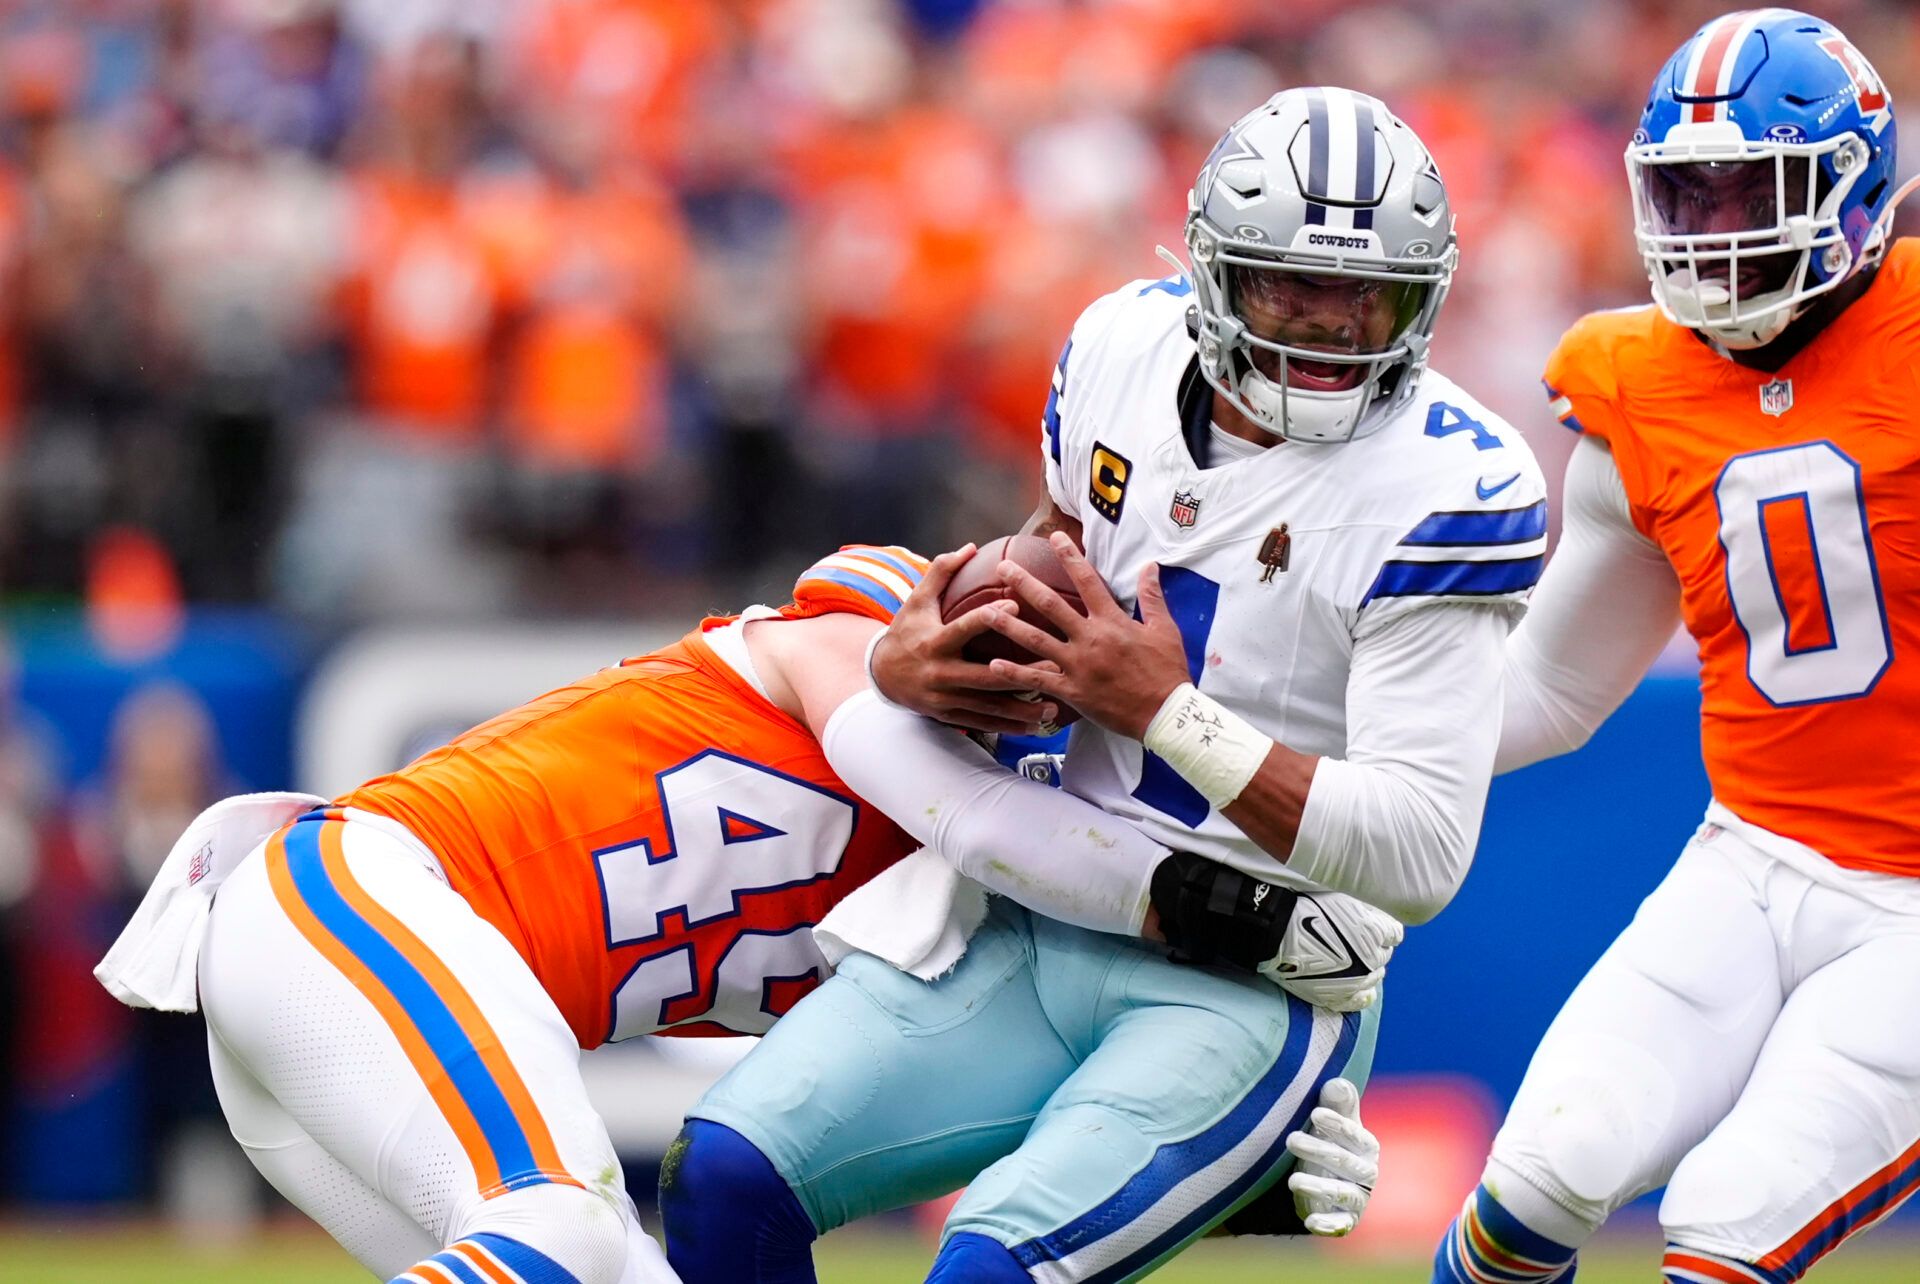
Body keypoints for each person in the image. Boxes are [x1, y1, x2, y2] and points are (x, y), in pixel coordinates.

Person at [663, 85, 1546, 1284]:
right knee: (722, 1177)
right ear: (1211, 274)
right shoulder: (1122, 351)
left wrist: (1166, 714)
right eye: (1293, 286)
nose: (1331, 331)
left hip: (1250, 975)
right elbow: (1059, 551)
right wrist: (949, 646)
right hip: (1040, 921)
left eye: (1365, 298)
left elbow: (1418, 857)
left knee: (988, 1269)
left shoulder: (1449, 486)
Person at [95, 544, 1388, 1284]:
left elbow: (1007, 1109)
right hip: (351, 889)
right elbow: (872, 689)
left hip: (322, 986)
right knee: (559, 1223)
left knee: (607, 1265)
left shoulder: (982, 889)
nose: (1011, 666)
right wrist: (1203, 900)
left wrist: (1247, 1168)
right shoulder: (858, 647)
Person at [1429, 13, 1920, 1284]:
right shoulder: (1636, 381)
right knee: (1539, 1176)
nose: (1714, 230)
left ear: (1854, 186)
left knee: (1727, 1222)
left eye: (1751, 189)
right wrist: (1319, 733)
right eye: (1686, 193)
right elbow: (1545, 687)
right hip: (1750, 861)